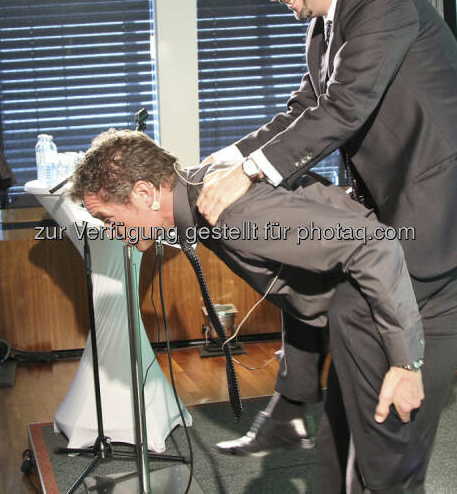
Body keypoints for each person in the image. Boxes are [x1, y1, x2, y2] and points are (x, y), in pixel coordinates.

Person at [196, 0, 457, 488]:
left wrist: (249, 176)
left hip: (442, 195)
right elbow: (302, 111)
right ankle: (313, 417)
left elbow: (343, 110)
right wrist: (228, 158)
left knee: (366, 327)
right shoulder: (323, 26)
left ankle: (354, 434)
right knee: (347, 316)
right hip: (397, 200)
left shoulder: (380, 1)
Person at [69, 129, 429, 493]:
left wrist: (405, 362)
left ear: (144, 193)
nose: (113, 233)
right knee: (336, 453)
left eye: (109, 220)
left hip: (394, 297)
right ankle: (288, 418)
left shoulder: (232, 210)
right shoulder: (202, 195)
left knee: (381, 469)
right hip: (359, 301)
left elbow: (375, 245)